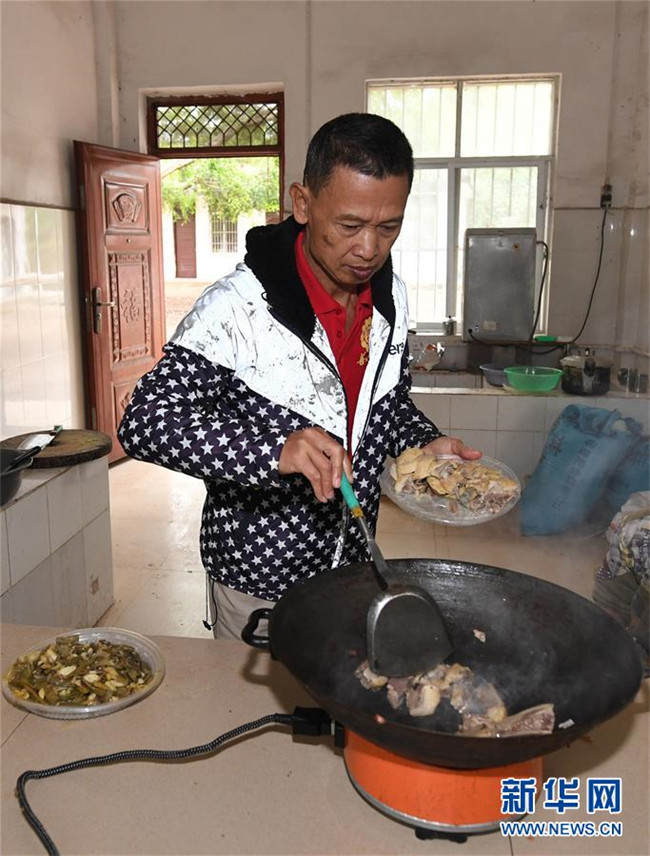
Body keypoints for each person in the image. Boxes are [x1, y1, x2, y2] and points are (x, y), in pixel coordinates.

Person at [118, 112, 481, 639]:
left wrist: (424, 444)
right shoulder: (238, 308)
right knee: (259, 694)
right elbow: (145, 422)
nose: (369, 249)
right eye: (350, 225)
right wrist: (275, 451)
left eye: (389, 227)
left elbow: (386, 406)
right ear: (303, 204)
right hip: (260, 583)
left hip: (354, 567)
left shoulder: (391, 298)